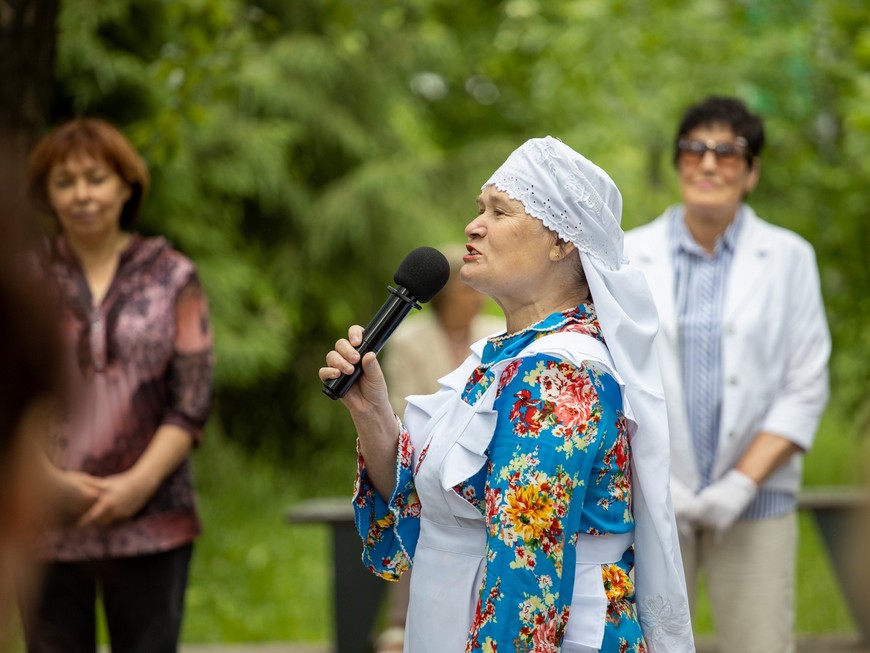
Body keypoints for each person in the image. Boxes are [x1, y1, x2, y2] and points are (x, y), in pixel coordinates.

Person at [320, 136, 694, 652]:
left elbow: (526, 575)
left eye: (500, 212)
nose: (474, 226)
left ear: (561, 242)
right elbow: (430, 510)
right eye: (480, 209)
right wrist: (371, 413)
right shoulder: (504, 356)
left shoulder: (557, 376)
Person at [624, 96, 831, 653]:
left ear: (752, 171)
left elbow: (805, 385)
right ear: (678, 163)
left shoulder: (789, 258)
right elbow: (612, 376)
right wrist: (659, 480)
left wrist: (741, 484)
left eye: (728, 152)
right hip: (652, 500)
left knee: (760, 643)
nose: (709, 163)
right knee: (646, 643)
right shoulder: (628, 256)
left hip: (757, 503)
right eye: (694, 149)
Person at [21, 117, 215, 653]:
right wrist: (49, 481)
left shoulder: (173, 274)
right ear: (47, 194)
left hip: (155, 515)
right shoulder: (22, 277)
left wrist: (135, 486)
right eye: (65, 182)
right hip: (45, 517)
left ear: (127, 186)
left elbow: (191, 398)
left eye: (96, 178)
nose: (82, 195)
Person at [375, 244, 504, 653]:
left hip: (485, 461)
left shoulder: (497, 332)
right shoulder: (409, 339)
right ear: (445, 294)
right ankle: (399, 624)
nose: (475, 297)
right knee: (425, 502)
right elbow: (402, 407)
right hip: (425, 457)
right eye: (466, 289)